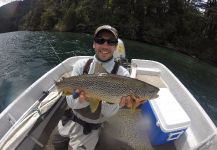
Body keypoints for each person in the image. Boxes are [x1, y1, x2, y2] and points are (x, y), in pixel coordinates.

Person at [52, 25, 143, 150]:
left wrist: (111, 102)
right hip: (71, 118)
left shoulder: (123, 75)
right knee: (57, 143)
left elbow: (107, 113)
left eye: (110, 42)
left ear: (115, 47)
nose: (105, 46)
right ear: (94, 44)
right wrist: (80, 99)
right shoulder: (81, 65)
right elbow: (71, 103)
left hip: (91, 126)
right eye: (100, 40)